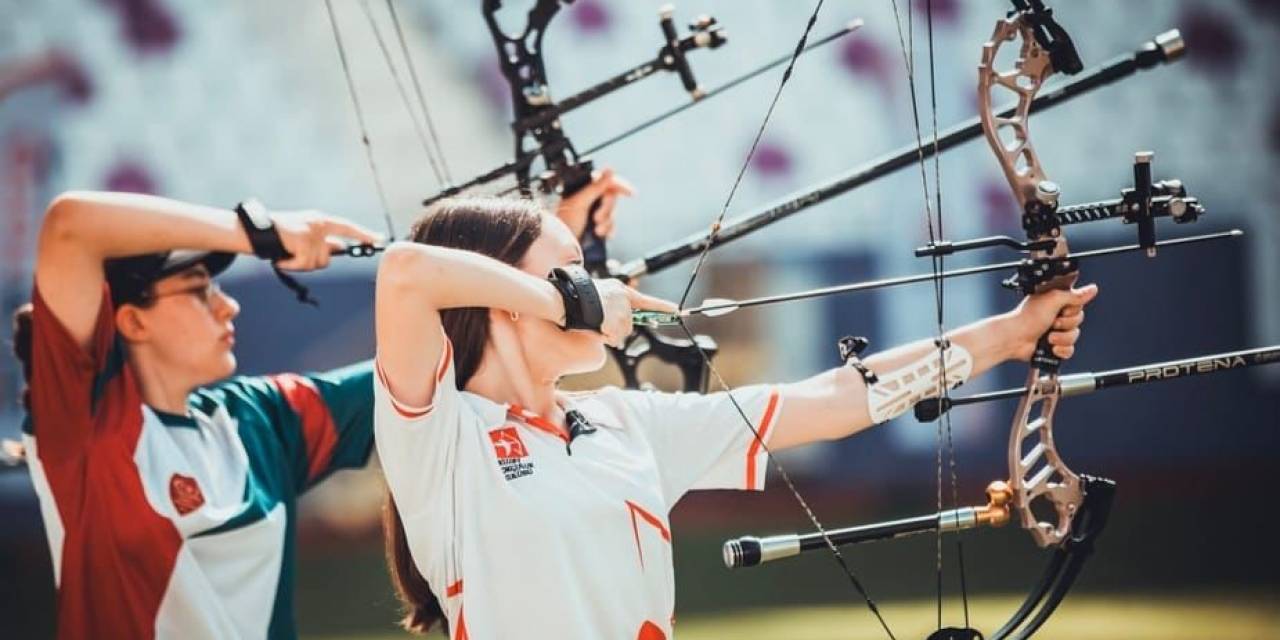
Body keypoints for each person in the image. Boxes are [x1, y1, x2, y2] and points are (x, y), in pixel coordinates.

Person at [373, 197, 1098, 639]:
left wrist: (1008, 336)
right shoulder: (442, 436)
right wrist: (567, 302)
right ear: (507, 293)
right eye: (573, 271)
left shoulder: (626, 423)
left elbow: (833, 401)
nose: (603, 285)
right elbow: (406, 271)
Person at [15, 173, 631, 639]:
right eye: (198, 291)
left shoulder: (259, 421)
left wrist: (557, 255)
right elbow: (70, 224)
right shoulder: (86, 426)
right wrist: (257, 233)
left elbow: (456, 352)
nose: (227, 306)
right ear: (129, 320)